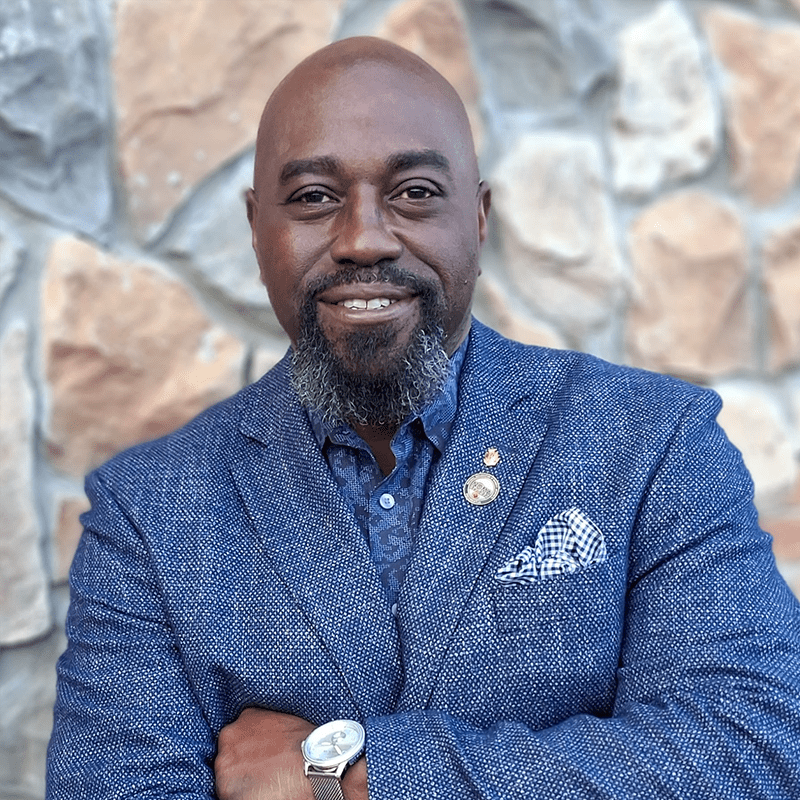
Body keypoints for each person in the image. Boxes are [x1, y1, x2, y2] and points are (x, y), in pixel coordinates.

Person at [47, 36, 800, 800]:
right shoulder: (145, 514)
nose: (365, 238)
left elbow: (753, 746)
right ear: (255, 228)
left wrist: (351, 774)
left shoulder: (652, 443)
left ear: (477, 217)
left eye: (413, 192)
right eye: (314, 197)